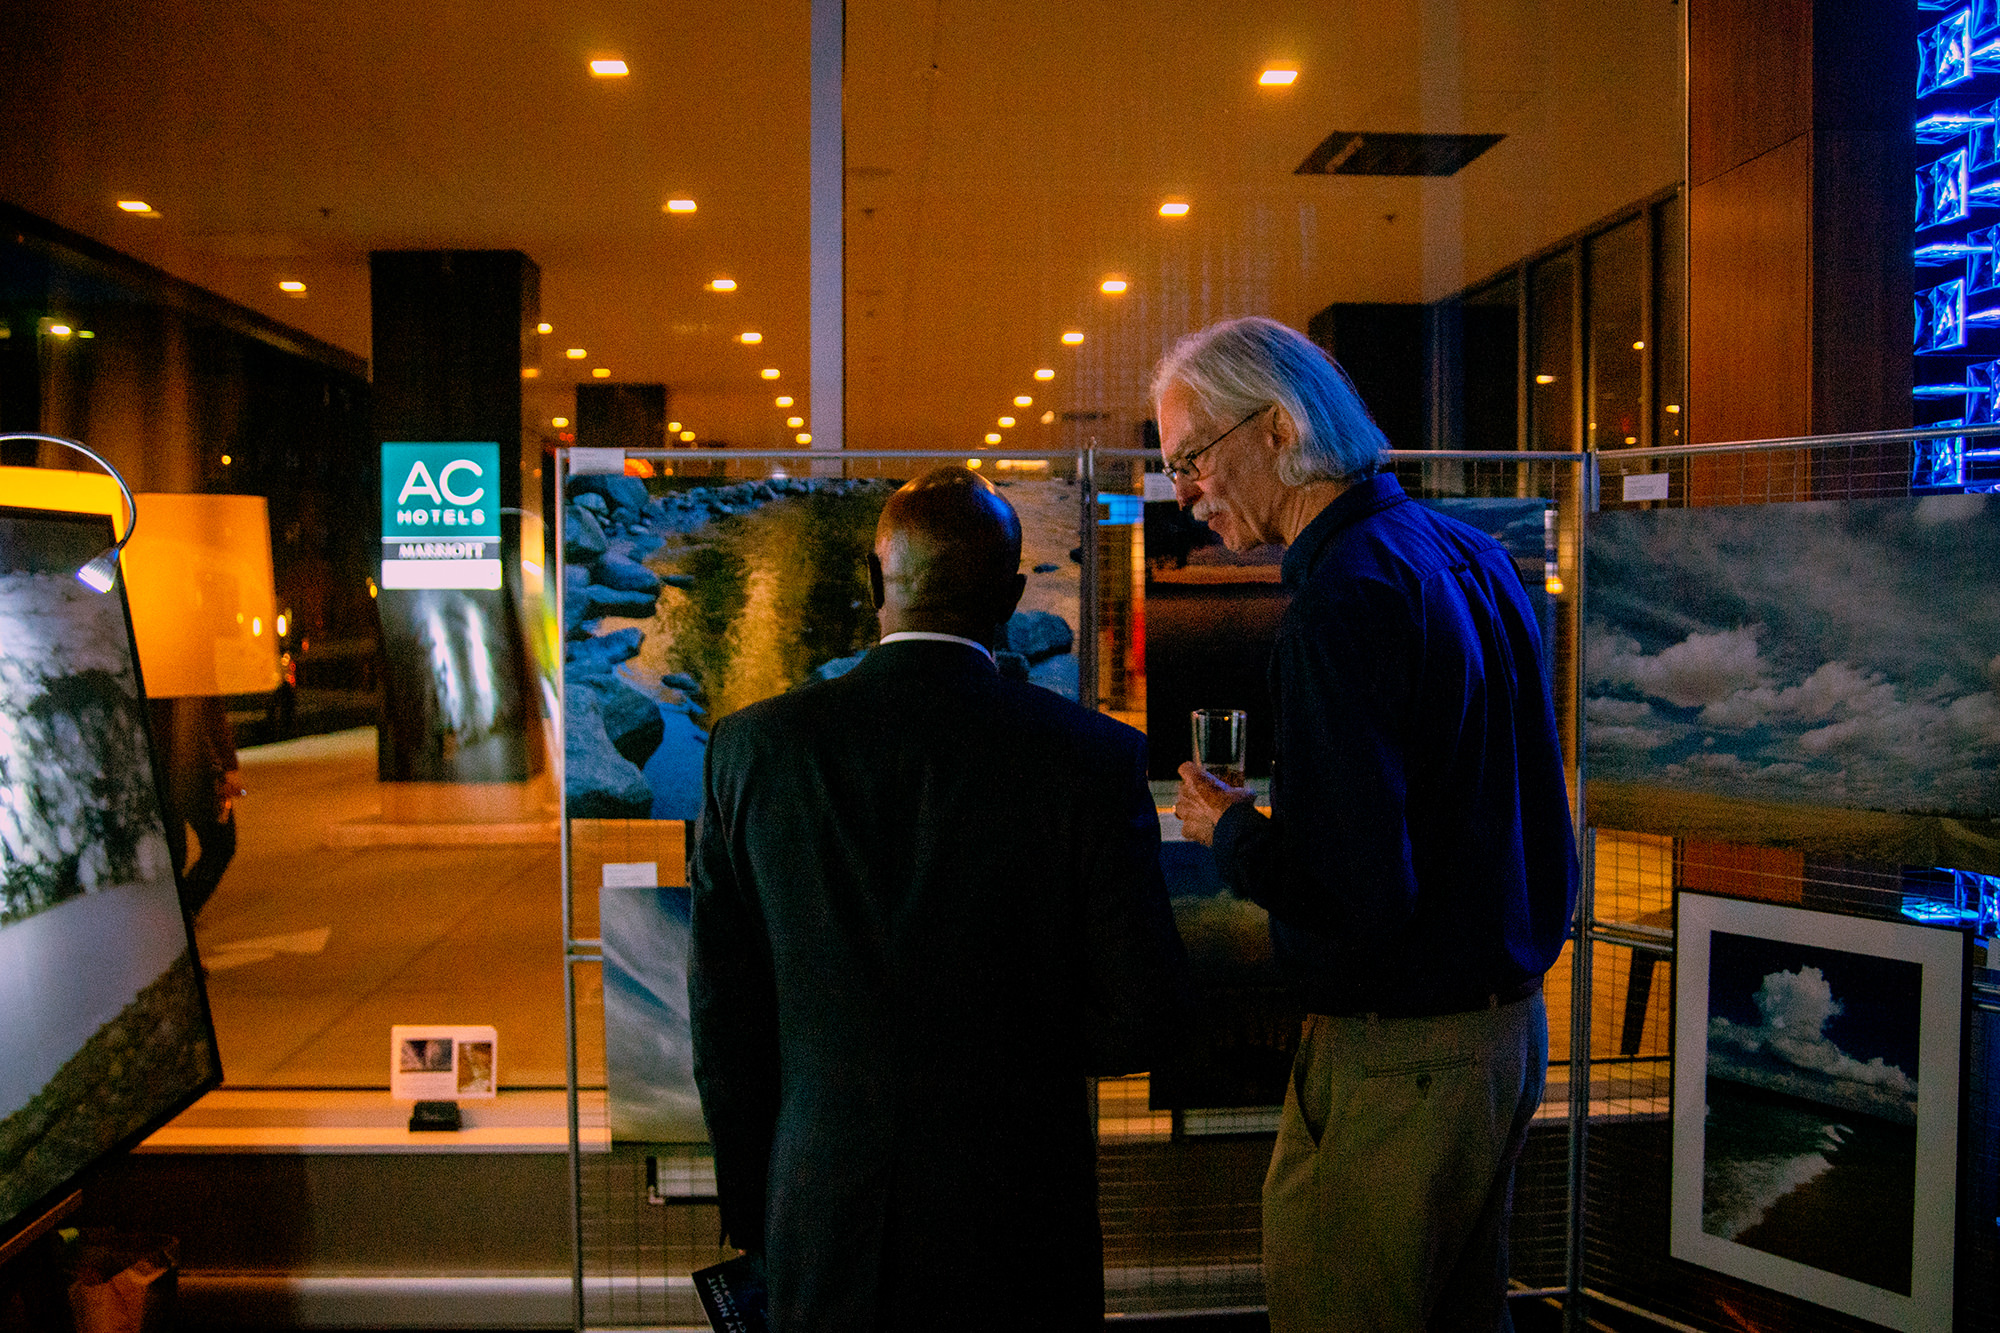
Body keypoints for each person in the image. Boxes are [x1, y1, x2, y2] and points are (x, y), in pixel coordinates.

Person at [689, 465, 1186, 1333]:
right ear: (1014, 593)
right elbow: (1140, 1014)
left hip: (823, 1207)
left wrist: (758, 1203)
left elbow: (724, 1017)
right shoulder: (1092, 758)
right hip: (1021, 1211)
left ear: (873, 584)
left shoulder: (752, 750)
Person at [1157, 317, 1579, 1333]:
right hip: (1502, 1034)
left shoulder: (1340, 599)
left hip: (1400, 1058)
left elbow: (1354, 892)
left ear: (1274, 428)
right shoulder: (1468, 557)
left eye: (1189, 457)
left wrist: (1226, 829)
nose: (1181, 491)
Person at [148, 694, 242, 917]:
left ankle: (174, 913)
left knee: (175, 853)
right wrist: (229, 767)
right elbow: (212, 713)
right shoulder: (189, 667)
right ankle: (180, 909)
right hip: (191, 768)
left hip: (160, 767)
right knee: (220, 845)